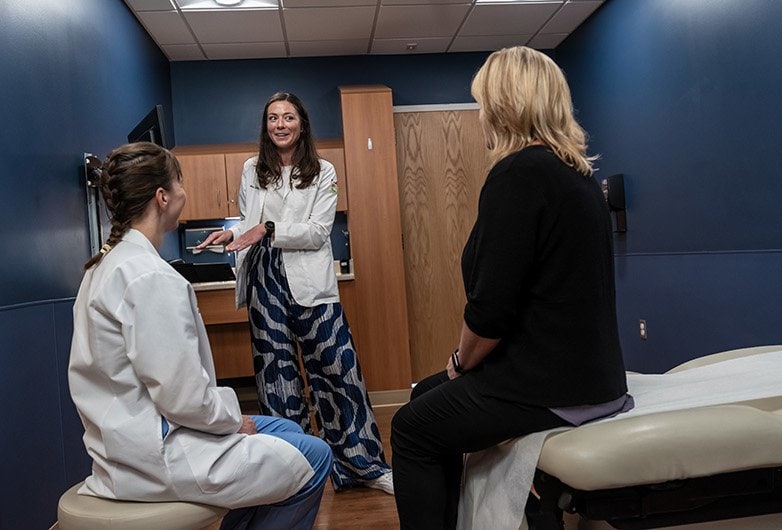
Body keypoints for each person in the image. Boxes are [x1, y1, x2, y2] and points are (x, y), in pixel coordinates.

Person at [391, 46, 631, 529]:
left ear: (504, 106)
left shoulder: (518, 174)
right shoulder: (578, 175)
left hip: (547, 386)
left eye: (482, 103)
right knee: (425, 399)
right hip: (594, 378)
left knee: (410, 429)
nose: (480, 115)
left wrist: (461, 363)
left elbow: (491, 310)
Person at [68, 142, 333, 529]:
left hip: (126, 439)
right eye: (180, 182)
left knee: (288, 430)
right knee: (315, 456)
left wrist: (226, 417)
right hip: (159, 454)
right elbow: (183, 397)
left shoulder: (104, 267)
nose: (183, 192)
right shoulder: (151, 278)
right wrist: (230, 420)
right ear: (163, 197)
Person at [195, 92, 394, 494]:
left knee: (339, 372)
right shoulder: (253, 168)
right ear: (265, 126)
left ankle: (364, 467)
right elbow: (250, 220)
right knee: (277, 379)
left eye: (288, 117)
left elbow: (319, 232)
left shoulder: (323, 170)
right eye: (272, 118)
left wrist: (269, 229)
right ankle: (295, 468)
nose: (280, 125)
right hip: (264, 278)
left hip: (309, 282)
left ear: (302, 124)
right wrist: (232, 233)